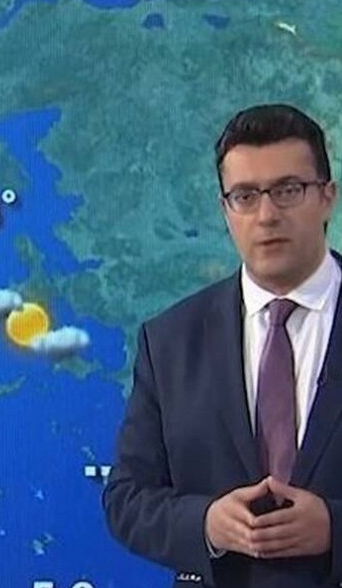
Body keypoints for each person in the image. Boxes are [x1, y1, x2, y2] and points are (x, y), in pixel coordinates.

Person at [102, 103, 342, 588]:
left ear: (327, 198)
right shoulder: (170, 341)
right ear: (225, 210)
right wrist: (207, 524)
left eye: (288, 190)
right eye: (245, 196)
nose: (267, 215)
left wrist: (335, 529)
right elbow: (126, 498)